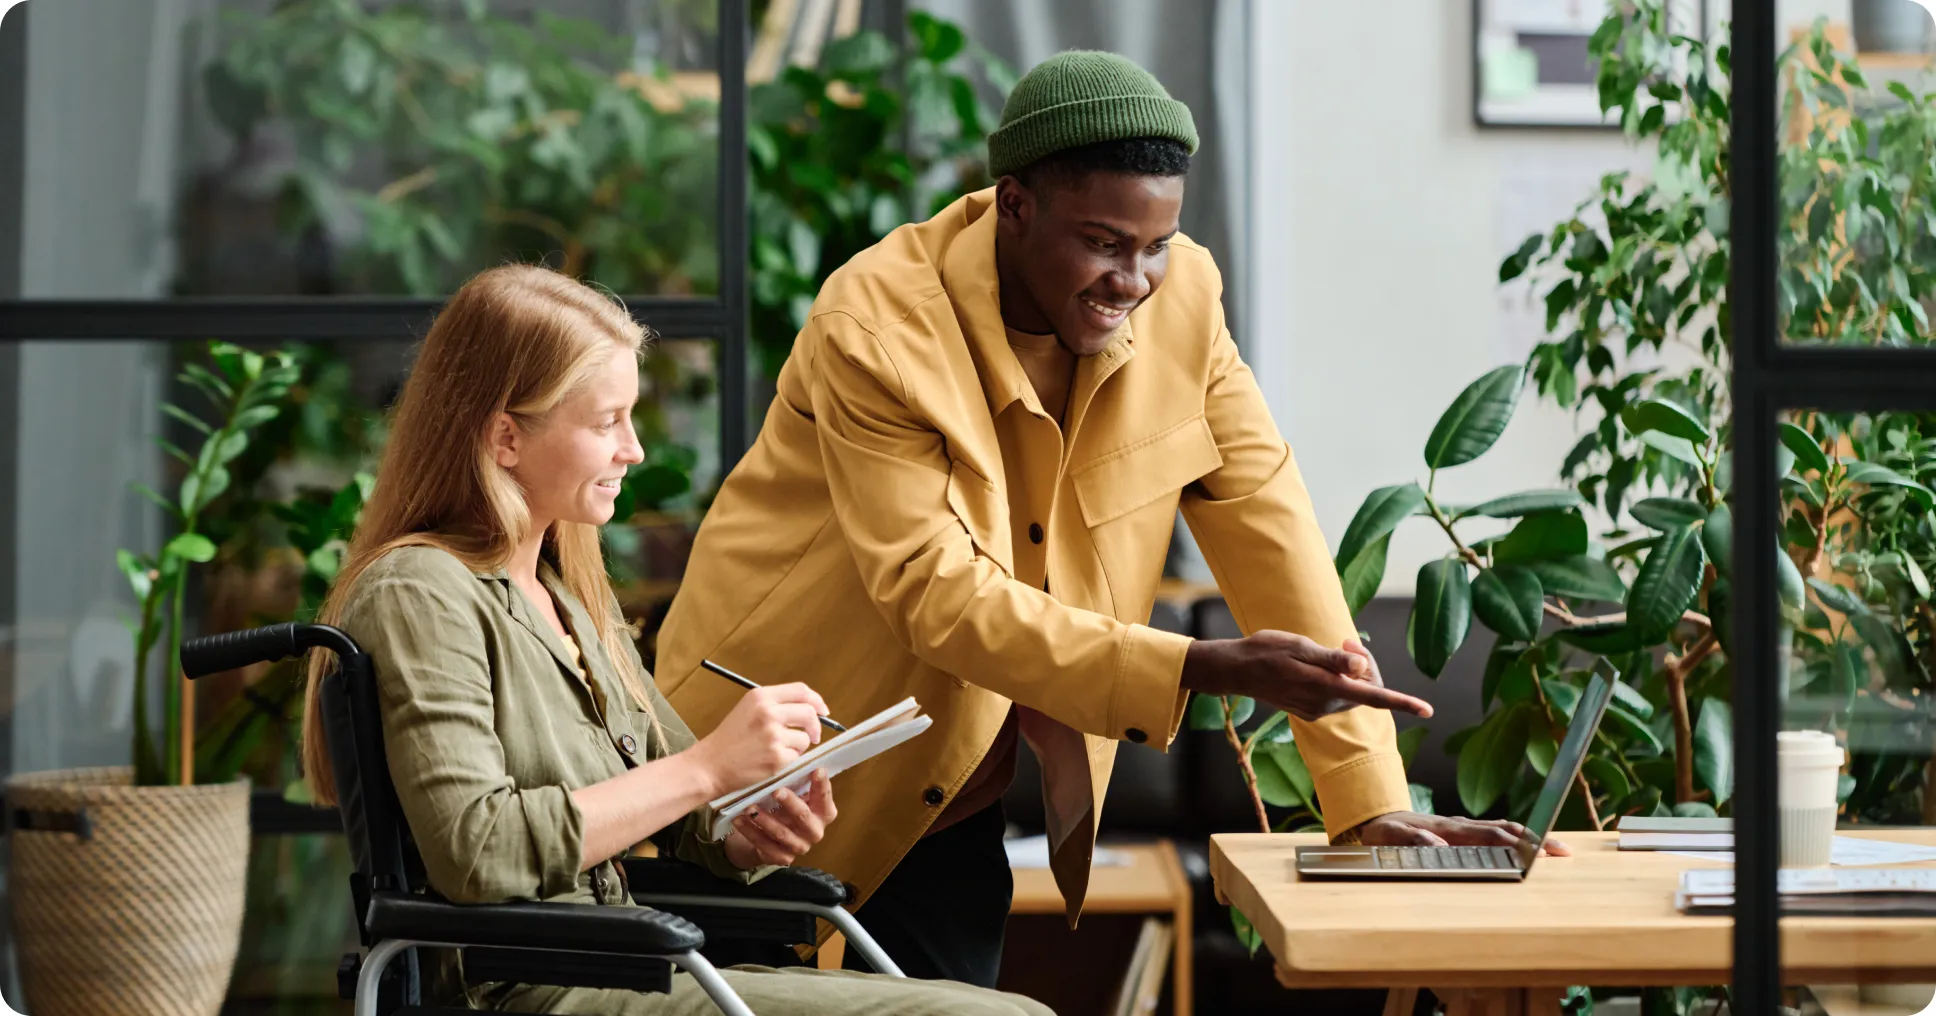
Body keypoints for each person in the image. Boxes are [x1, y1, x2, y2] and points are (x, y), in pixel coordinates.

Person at [656, 50, 1563, 989]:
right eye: (1103, 243)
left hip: (946, 792)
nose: (1132, 279)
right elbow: (935, 593)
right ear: (1015, 204)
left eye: (1155, 246)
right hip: (754, 777)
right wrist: (1199, 665)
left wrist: (1367, 802)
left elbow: (1270, 529)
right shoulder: (878, 325)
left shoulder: (1189, 305)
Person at [296, 265, 1055, 1016]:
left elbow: (683, 803)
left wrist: (742, 830)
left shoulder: (566, 594)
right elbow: (477, 850)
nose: (633, 449)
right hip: (527, 988)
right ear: (504, 438)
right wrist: (706, 769)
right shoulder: (419, 592)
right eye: (606, 423)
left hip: (626, 967)